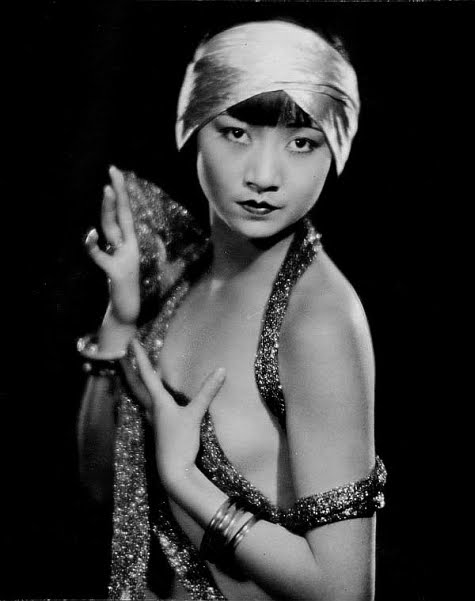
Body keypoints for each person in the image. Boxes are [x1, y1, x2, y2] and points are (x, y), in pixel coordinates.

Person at [78, 18, 386, 601]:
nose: (264, 176)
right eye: (237, 132)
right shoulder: (184, 277)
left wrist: (187, 480)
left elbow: (344, 591)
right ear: (194, 126)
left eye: (302, 142)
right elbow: (103, 488)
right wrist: (119, 324)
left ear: (337, 148)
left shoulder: (316, 320)